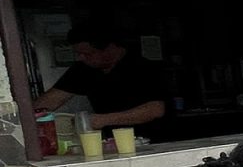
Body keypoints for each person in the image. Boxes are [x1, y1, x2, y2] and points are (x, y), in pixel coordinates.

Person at [32, 21, 171, 139]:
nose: (80, 58)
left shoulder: (142, 68)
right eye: (78, 53)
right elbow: (50, 101)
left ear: (110, 48)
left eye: (87, 54)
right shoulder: (83, 69)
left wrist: (103, 120)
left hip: (154, 141)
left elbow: (155, 109)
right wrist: (28, 117)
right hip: (111, 142)